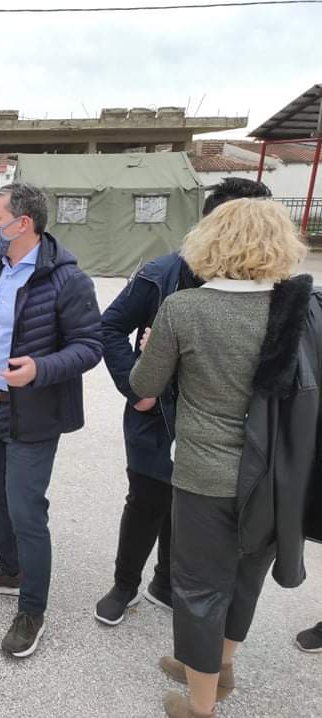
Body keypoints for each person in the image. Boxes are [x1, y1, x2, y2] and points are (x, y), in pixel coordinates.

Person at [128, 198, 319, 718]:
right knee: (244, 579)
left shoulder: (185, 309)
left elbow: (144, 386)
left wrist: (150, 349)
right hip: (275, 476)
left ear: (209, 241)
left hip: (204, 477)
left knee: (198, 589)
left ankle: (200, 704)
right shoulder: (299, 311)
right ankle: (220, 666)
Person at [95, 178, 273, 627]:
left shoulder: (271, 289)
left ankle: (166, 583)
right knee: (146, 499)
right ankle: (124, 585)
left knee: (187, 504)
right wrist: (137, 390)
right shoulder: (161, 275)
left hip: (218, 430)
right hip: (155, 417)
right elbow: (110, 327)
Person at [0, 183, 103, 658]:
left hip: (35, 413)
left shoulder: (68, 280)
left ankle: (32, 609)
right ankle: (8, 569)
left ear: (23, 223)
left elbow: (89, 346)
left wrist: (40, 369)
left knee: (26, 509)